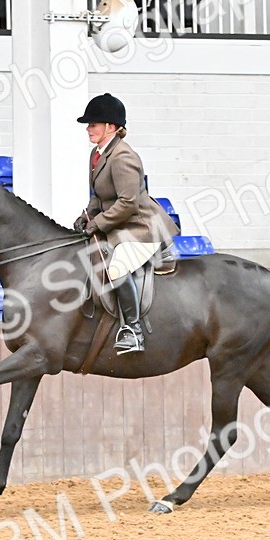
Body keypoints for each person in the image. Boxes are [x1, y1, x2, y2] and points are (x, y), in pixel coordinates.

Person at [73, 93, 180, 355]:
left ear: (111, 126)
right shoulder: (97, 154)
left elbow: (127, 203)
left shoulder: (123, 157)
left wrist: (97, 223)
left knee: (117, 266)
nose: (88, 129)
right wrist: (86, 216)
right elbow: (99, 197)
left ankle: (133, 330)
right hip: (121, 225)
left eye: (93, 124)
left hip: (141, 228)